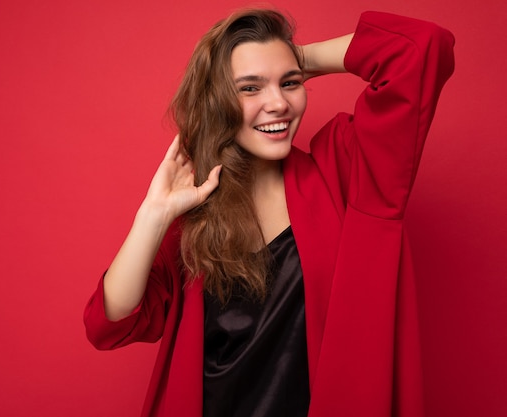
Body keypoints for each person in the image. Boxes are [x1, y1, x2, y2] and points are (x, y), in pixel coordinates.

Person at [84, 8, 455, 417]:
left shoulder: (346, 173)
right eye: (250, 88)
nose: (277, 103)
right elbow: (112, 323)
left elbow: (420, 49)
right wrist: (154, 214)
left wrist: (301, 58)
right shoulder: (195, 210)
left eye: (289, 83)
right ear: (218, 102)